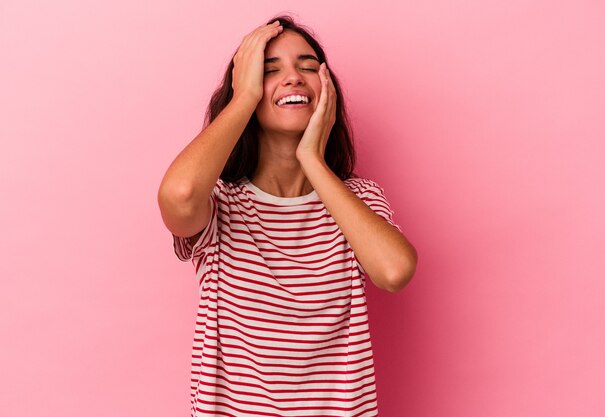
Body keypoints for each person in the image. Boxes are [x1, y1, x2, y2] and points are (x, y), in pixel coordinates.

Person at [158, 14, 417, 417]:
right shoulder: (222, 203)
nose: (294, 77)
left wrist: (312, 158)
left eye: (309, 67)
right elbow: (180, 194)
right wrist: (243, 97)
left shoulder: (359, 199)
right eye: (268, 70)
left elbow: (395, 270)